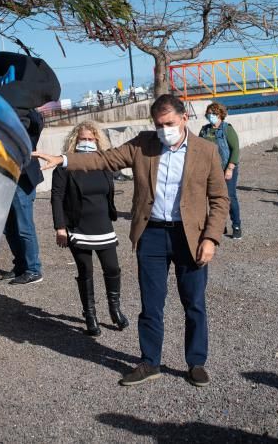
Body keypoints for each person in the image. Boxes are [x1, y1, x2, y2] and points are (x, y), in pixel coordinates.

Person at [33, 94, 229, 388]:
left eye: (169, 123)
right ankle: (150, 362)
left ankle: (196, 362)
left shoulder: (207, 151)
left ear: (184, 118)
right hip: (151, 234)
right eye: (158, 125)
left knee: (194, 303)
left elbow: (220, 198)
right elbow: (104, 157)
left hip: (190, 236)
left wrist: (211, 238)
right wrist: (63, 159)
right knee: (151, 304)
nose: (164, 130)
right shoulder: (143, 144)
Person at [51, 122, 128, 336]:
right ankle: (90, 315)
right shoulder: (64, 166)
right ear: (75, 141)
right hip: (78, 226)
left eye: (90, 139)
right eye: (82, 139)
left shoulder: (103, 164)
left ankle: (115, 309)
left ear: (97, 141)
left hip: (103, 224)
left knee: (112, 268)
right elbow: (56, 197)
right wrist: (60, 227)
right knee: (86, 271)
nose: (86, 142)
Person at [1, 107, 44, 285]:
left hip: (22, 178)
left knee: (24, 226)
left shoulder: (28, 118)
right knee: (9, 227)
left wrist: (24, 104)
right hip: (4, 176)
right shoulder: (4, 121)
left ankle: (33, 269)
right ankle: (20, 265)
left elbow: (37, 123)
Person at [199, 102, 242, 239]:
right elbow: (199, 148)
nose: (210, 116)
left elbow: (235, 149)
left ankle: (236, 226)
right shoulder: (204, 130)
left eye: (212, 113)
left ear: (220, 114)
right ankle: (218, 226)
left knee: (229, 197)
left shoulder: (227, 129)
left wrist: (230, 168)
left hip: (226, 169)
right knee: (213, 199)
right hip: (210, 171)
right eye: (208, 113)